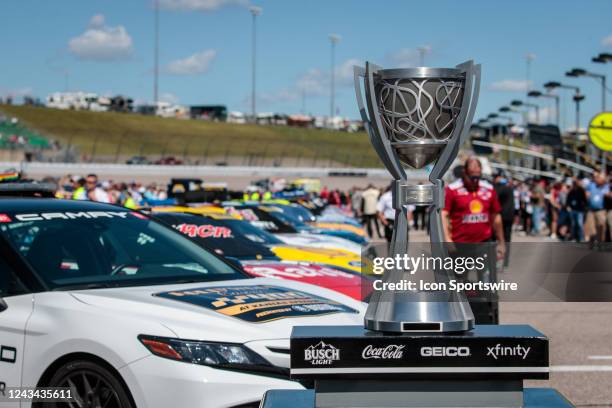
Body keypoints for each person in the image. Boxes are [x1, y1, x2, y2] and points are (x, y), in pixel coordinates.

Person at [442, 157, 505, 260]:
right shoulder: (452, 190)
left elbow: (496, 217)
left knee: (487, 275)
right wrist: (447, 239)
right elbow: (443, 215)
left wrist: (501, 242)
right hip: (460, 244)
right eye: (471, 177)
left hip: (484, 243)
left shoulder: (489, 189)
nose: (474, 181)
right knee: (459, 276)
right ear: (465, 172)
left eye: (477, 177)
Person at [494, 171, 514, 265]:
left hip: (501, 216)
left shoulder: (499, 187)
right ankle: (505, 262)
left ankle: (497, 260)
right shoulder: (509, 187)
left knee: (498, 238)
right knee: (507, 239)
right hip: (509, 216)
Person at [585, 171, 609, 243]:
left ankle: (600, 244)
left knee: (601, 227)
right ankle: (591, 244)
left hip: (601, 210)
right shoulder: (591, 185)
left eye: (600, 178)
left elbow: (608, 195)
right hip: (591, 210)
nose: (597, 179)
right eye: (597, 178)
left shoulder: (606, 186)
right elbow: (587, 193)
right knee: (591, 229)